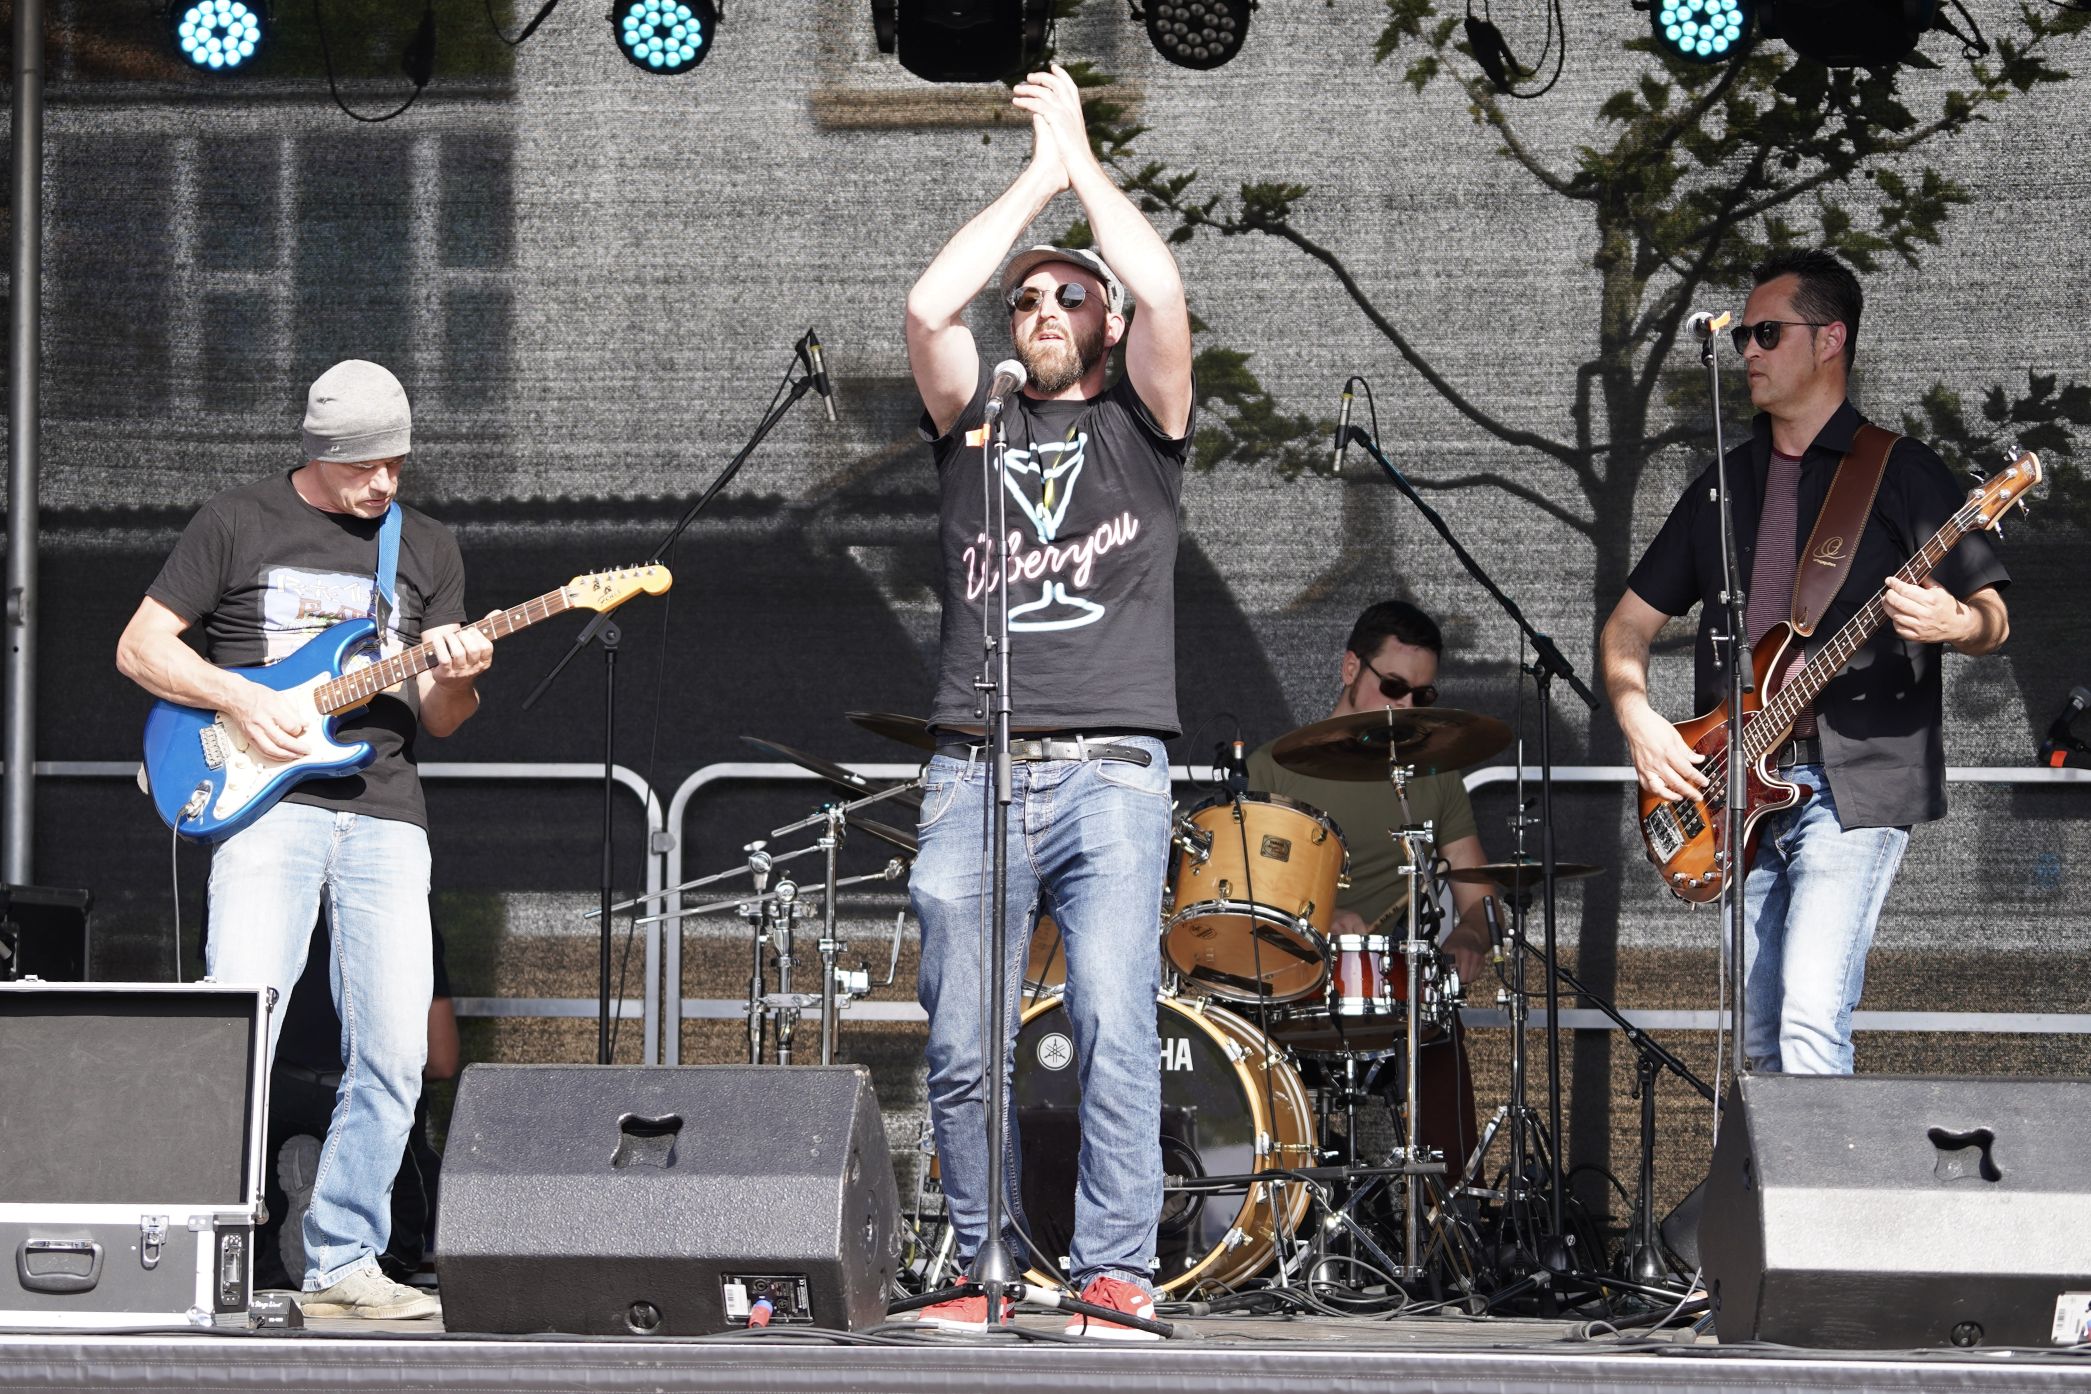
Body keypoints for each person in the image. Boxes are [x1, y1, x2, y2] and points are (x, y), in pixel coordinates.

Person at [901, 63, 1194, 1338]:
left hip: (1114, 771)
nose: (1040, 309)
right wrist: (1034, 183)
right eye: (1026, 297)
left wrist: (1084, 165)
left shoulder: (1145, 423)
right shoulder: (974, 423)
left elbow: (1166, 291)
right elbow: (928, 305)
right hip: (975, 767)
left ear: (1106, 321)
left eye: (1069, 294)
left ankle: (1115, 1268)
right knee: (964, 1038)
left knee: (1111, 1019)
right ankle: (986, 1264)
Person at [116, 360, 493, 1319]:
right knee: (240, 1026)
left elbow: (442, 717)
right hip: (263, 805)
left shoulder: (426, 546)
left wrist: (457, 673)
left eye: (397, 464)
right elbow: (140, 647)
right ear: (318, 454)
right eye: (365, 467)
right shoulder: (237, 521)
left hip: (386, 812)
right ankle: (196, 1249)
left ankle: (343, 1264)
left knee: (395, 1052)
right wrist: (241, 697)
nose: (384, 483)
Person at [1600, 248, 2009, 1076]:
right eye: (1742, 335)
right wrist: (1636, 715)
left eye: (1765, 332)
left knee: (1808, 1026)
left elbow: (1993, 617)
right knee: (1756, 1049)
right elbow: (1626, 627)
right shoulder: (1722, 484)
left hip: (1850, 787)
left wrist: (1955, 620)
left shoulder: (1898, 470)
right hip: (1734, 794)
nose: (1746, 350)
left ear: (1829, 339)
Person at [1246, 600, 1496, 1164]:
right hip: (1285, 984)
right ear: (1350, 668)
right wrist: (1315, 921)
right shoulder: (1273, 768)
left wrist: (1471, 935)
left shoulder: (1434, 777)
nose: (1406, 707)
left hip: (1385, 989)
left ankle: (1449, 1208)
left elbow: (1480, 899)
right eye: (1393, 687)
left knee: (1439, 1023)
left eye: (1422, 696)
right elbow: (1245, 900)